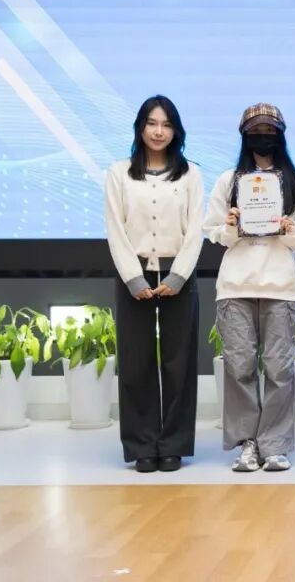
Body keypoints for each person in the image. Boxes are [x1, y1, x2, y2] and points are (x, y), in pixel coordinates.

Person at [204, 104, 295, 472]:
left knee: (279, 369)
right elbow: (214, 233)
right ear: (244, 135)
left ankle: (275, 445)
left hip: (281, 287)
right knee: (239, 368)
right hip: (235, 287)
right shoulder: (228, 181)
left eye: (270, 130)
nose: (263, 136)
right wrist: (232, 225)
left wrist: (289, 230)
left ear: (281, 134)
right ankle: (248, 444)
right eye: (256, 130)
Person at [105, 95, 203, 473]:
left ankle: (174, 444)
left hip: (179, 274)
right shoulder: (119, 173)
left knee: (179, 362)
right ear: (140, 127)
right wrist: (133, 278)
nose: (158, 131)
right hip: (134, 274)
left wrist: (179, 275)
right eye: (151, 123)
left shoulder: (190, 174)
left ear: (176, 130)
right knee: (136, 361)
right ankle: (142, 445)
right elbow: (115, 229)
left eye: (166, 124)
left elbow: (195, 229)